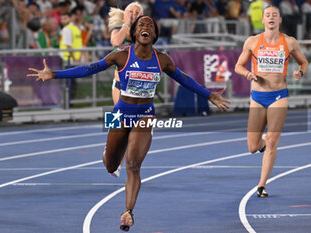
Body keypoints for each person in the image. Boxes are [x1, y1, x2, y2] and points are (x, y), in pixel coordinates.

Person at [28, 15, 230, 231]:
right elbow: (89, 69)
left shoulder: (162, 60)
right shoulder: (121, 56)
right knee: (111, 166)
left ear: (154, 35)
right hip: (119, 112)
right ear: (134, 33)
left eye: (150, 25)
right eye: (141, 25)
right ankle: (108, 152)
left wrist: (209, 95)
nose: (146, 28)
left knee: (133, 164)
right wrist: (55, 74)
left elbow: (185, 79)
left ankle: (128, 212)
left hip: (145, 114)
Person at [234, 5, 308, 198]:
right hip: (257, 97)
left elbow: (304, 62)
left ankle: (261, 185)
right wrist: (248, 73)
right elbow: (238, 66)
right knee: (252, 147)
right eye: (268, 15)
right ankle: (264, 141)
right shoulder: (252, 41)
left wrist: (300, 72)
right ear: (263, 20)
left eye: (275, 15)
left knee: (274, 141)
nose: (271, 17)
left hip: (278, 96)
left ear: (280, 19)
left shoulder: (289, 42)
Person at [108, 2, 143, 105]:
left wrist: (140, 24)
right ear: (124, 16)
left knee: (139, 117)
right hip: (120, 82)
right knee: (119, 115)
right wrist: (126, 24)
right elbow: (116, 42)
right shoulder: (117, 30)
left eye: (137, 13)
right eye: (130, 12)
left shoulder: (143, 32)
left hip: (138, 82)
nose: (133, 15)